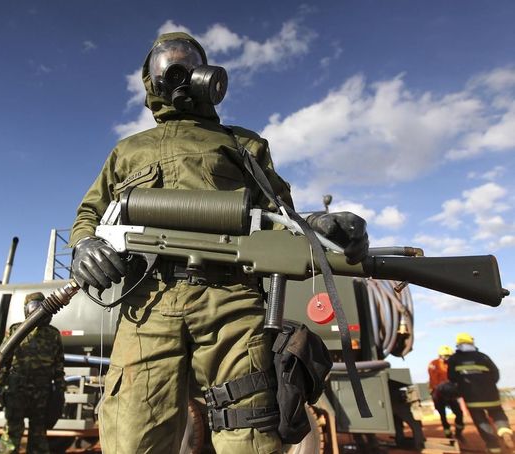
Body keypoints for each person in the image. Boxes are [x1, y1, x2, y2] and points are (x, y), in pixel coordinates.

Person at [69, 32, 369, 454]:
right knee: (133, 434)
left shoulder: (243, 144)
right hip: (148, 300)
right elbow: (89, 215)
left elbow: (281, 216)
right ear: (150, 81)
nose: (180, 72)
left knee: (249, 434)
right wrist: (84, 246)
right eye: (167, 65)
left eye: (190, 62)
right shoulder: (126, 151)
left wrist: (320, 225)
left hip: (231, 298)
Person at [0, 292, 66, 454]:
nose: (37, 311)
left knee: (39, 434)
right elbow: (2, 362)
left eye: (40, 307)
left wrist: (60, 392)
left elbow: (58, 366)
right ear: (26, 310)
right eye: (33, 307)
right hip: (16, 391)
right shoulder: (16, 330)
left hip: (41, 393)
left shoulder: (53, 334)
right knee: (12, 431)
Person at [448, 332, 514, 453]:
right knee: (497, 413)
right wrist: (489, 385)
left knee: (481, 421)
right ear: (472, 342)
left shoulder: (454, 359)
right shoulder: (483, 356)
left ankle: (494, 447)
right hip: (491, 394)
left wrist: (462, 387)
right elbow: (495, 373)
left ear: (458, 344)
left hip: (472, 397)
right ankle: (504, 430)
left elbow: (452, 378)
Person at [428, 345, 464, 438]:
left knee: (459, 413)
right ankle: (447, 432)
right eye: (446, 356)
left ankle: (459, 432)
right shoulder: (434, 364)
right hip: (438, 393)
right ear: (440, 356)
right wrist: (440, 388)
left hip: (450, 393)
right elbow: (434, 379)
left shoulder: (452, 364)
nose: (448, 358)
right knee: (442, 415)